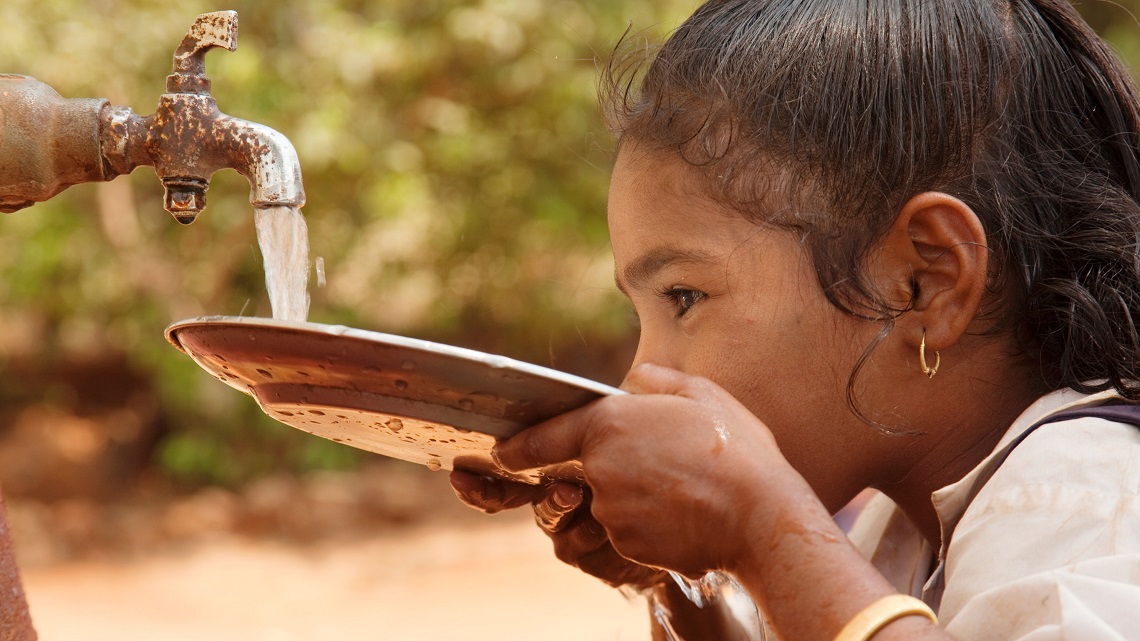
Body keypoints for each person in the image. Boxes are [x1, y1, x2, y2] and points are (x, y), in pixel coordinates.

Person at [450, 0, 1140, 639]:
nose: (640, 378)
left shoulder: (1085, 500)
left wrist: (761, 530)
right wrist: (694, 579)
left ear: (923, 283)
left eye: (684, 298)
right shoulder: (899, 529)